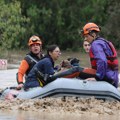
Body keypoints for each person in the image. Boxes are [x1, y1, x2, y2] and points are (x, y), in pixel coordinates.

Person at [80, 22, 119, 88]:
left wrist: (97, 78)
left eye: (86, 36)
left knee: (76, 70)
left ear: (93, 34)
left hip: (107, 77)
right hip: (113, 77)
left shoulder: (96, 44)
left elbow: (102, 60)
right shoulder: (102, 42)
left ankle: (56, 78)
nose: (85, 39)